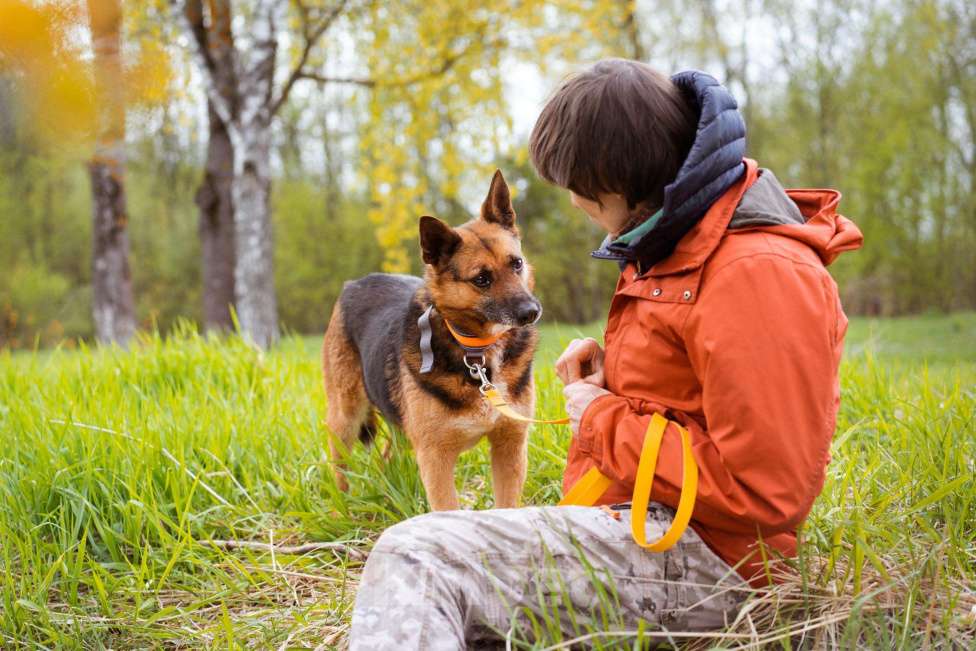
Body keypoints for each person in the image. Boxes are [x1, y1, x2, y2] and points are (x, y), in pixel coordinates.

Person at [348, 59, 863, 649]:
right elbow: (698, 396)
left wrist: (600, 415)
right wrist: (614, 379)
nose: (572, 201)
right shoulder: (680, 237)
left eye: (575, 183)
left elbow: (767, 490)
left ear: (613, 176)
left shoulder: (758, 273)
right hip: (651, 518)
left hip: (714, 560)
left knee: (420, 555)